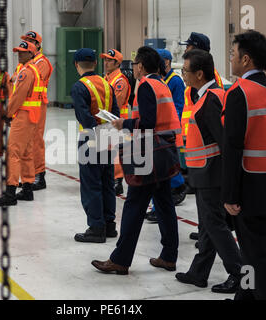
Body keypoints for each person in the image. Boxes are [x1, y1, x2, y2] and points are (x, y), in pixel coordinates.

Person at [91, 46, 179, 274]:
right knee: (165, 204)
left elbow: (148, 122)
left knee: (134, 205)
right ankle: (169, 256)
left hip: (150, 153)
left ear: (140, 66)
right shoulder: (162, 84)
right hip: (165, 150)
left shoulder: (147, 86)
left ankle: (120, 259)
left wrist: (124, 124)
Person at [222, 30, 266, 300]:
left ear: (246, 59)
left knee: (256, 255)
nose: (230, 58)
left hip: (247, 189)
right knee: (252, 251)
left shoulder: (240, 93)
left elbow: (233, 148)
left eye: (233, 53)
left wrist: (229, 195)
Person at [174, 49, 242, 293]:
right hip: (204, 173)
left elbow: (225, 145)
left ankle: (239, 273)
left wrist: (230, 181)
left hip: (212, 175)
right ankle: (198, 273)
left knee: (215, 226)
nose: (183, 75)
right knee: (208, 226)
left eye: (185, 71)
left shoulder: (210, 100)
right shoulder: (204, 96)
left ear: (199, 74)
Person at [179, 32, 224, 244]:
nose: (185, 50)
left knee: (210, 208)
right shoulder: (196, 78)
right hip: (195, 143)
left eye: (188, 47)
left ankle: (208, 232)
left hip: (207, 152)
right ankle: (204, 230)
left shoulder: (209, 82)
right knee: (203, 205)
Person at [71, 48, 120, 243]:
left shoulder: (79, 87)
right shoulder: (107, 84)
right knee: (107, 181)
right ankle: (109, 225)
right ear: (95, 64)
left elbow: (84, 116)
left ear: (77, 65)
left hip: (91, 139)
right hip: (109, 136)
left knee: (91, 183)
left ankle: (96, 228)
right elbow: (115, 113)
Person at [0, 40, 41, 206]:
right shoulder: (32, 69)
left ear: (31, 53)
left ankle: (10, 193)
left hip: (23, 116)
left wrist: (8, 114)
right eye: (18, 51)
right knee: (26, 153)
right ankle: (27, 189)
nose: (19, 54)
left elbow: (18, 96)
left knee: (13, 152)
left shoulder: (26, 72)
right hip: (31, 116)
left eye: (22, 51)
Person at [146, 49, 187, 223]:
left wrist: (168, 128)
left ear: (167, 62)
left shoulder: (175, 81)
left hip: (168, 132)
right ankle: (178, 186)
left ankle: (160, 207)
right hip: (160, 132)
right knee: (167, 168)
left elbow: (177, 106)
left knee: (161, 172)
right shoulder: (158, 80)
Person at [20, 31, 54, 191]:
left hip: (38, 105)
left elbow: (29, 80)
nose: (27, 43)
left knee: (35, 140)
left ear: (38, 45)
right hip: (25, 105)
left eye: (30, 41)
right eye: (26, 40)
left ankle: (40, 176)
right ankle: (29, 176)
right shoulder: (26, 61)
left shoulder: (42, 62)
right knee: (26, 141)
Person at [100, 49, 131, 196]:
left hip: (116, 121)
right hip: (107, 119)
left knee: (116, 151)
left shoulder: (119, 81)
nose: (106, 63)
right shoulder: (105, 78)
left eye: (109, 60)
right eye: (105, 60)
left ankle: (117, 181)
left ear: (117, 63)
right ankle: (110, 179)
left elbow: (116, 103)